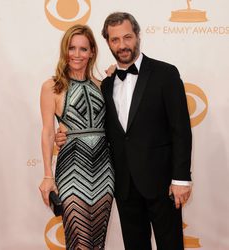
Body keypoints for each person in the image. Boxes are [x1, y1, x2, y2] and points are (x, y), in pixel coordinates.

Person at [56, 12, 192, 250]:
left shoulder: (165, 74)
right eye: (115, 39)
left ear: (138, 36)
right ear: (107, 43)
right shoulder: (105, 85)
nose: (122, 45)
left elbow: (180, 128)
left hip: (162, 184)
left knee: (170, 245)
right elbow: (98, 126)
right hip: (123, 184)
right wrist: (65, 131)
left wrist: (181, 178)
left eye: (127, 37)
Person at [39, 24, 114, 250]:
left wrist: (114, 77)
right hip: (72, 169)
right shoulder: (52, 86)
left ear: (92, 51)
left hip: (104, 170)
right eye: (72, 48)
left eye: (83, 49)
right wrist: (47, 176)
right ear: (65, 51)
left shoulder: (103, 86)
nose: (77, 55)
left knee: (97, 242)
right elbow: (48, 132)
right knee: (78, 241)